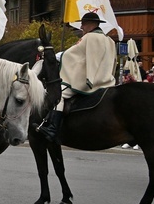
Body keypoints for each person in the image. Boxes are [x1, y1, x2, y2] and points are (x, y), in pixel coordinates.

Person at [37, 12, 117, 143]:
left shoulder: (89, 37)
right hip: (106, 80)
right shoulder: (110, 41)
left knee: (59, 95)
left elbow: (73, 55)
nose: (81, 27)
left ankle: (52, 128)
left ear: (89, 24)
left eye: (83, 24)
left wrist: (58, 56)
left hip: (90, 81)